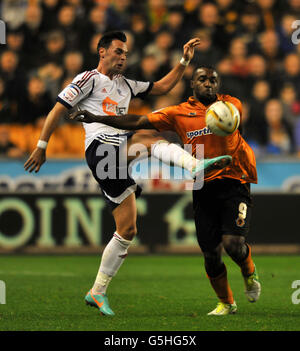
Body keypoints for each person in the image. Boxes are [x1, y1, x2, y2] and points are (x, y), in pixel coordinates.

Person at [23, 31, 231, 316]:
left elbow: (162, 87)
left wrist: (184, 60)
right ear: (102, 52)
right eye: (118, 51)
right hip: (101, 150)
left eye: (125, 53)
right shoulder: (87, 80)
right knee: (148, 139)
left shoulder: (126, 84)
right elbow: (57, 110)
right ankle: (194, 165)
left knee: (128, 229)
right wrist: (41, 146)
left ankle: (97, 292)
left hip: (120, 148)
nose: (123, 56)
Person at [70, 65, 261, 316]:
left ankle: (249, 272)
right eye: (202, 79)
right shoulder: (179, 113)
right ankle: (226, 303)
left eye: (213, 80)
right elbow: (137, 121)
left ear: (219, 84)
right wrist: (97, 118)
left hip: (235, 178)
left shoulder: (231, 105)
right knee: (211, 253)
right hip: (203, 183)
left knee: (233, 243)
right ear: (192, 85)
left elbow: (238, 133)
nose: (208, 84)